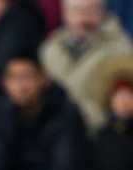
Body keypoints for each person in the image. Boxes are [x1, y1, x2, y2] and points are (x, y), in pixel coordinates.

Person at [0, 54, 87, 170]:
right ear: (4, 83)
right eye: (14, 78)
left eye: (27, 77)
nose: (21, 85)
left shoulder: (65, 113)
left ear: (44, 79)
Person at [39, 0, 133, 132]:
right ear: (65, 14)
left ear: (102, 12)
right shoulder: (50, 49)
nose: (83, 19)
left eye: (90, 12)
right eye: (77, 12)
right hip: (57, 132)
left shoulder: (120, 47)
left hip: (102, 130)